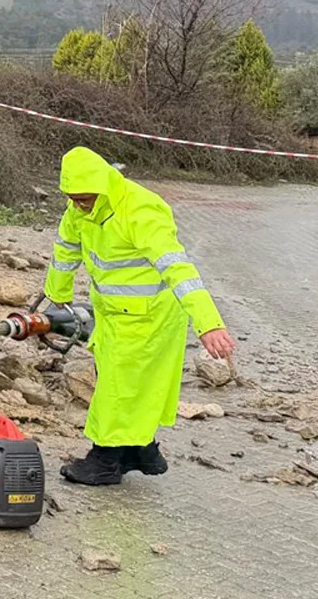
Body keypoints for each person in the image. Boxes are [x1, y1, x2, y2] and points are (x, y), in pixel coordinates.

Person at [46, 146, 237, 486]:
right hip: (114, 315)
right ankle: (141, 452)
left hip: (153, 317)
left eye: (85, 199)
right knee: (127, 384)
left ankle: (103, 461)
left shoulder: (140, 210)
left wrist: (209, 323)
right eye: (73, 198)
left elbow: (177, 268)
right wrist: (57, 294)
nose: (78, 205)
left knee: (119, 389)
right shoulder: (80, 209)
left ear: (103, 187)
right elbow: (66, 249)